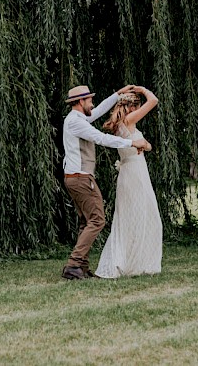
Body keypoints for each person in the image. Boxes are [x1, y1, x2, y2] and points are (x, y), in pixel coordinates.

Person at [61, 84, 149, 280]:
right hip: (81, 178)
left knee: (87, 221)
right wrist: (132, 142)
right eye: (89, 100)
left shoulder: (78, 118)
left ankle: (80, 267)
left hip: (76, 178)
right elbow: (100, 138)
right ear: (81, 101)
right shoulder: (76, 122)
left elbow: (98, 110)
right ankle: (74, 264)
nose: (92, 103)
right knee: (98, 219)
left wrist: (117, 94)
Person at [95, 85, 162, 278]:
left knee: (130, 217)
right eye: (138, 104)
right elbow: (154, 101)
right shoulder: (129, 119)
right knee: (143, 216)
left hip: (131, 171)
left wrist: (146, 145)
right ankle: (130, 261)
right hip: (135, 173)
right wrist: (142, 90)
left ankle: (132, 261)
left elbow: (144, 145)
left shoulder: (120, 124)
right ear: (132, 106)